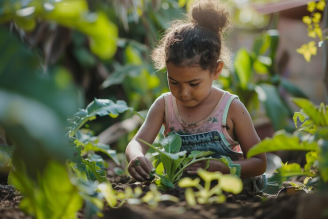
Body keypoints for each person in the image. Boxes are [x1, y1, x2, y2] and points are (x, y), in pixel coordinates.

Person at [125, 0, 267, 192]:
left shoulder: (230, 108)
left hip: (232, 193)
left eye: (194, 84)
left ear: (216, 70)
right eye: (174, 82)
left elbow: (259, 162)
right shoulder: (164, 106)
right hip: (182, 192)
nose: (183, 93)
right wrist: (136, 156)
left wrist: (225, 168)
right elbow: (136, 143)